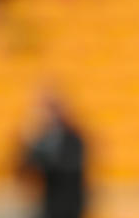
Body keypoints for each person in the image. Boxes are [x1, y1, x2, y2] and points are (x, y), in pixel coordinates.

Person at [17, 90, 88, 218]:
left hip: (70, 205)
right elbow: (24, 168)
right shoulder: (42, 139)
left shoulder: (74, 137)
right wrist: (28, 145)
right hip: (47, 205)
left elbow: (69, 167)